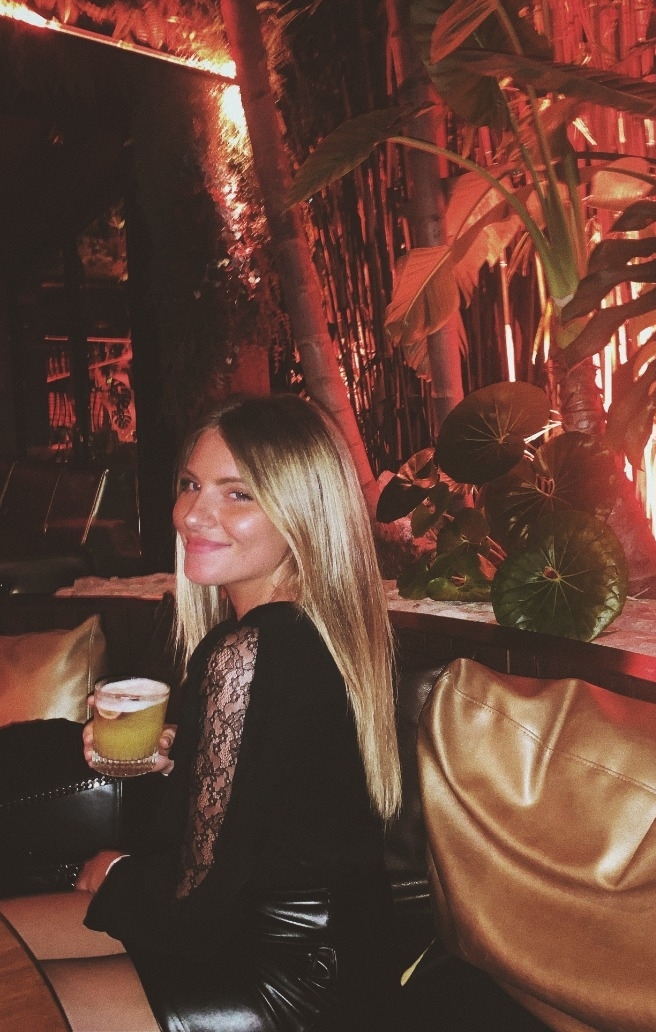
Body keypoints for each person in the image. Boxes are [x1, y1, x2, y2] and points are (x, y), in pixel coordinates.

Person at [2, 393, 403, 1032]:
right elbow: (278, 797)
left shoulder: (247, 651)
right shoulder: (309, 630)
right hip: (322, 950)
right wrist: (179, 756)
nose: (193, 514)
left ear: (304, 510)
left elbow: (195, 908)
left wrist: (117, 874)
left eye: (237, 494)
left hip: (284, 976)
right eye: (191, 485)